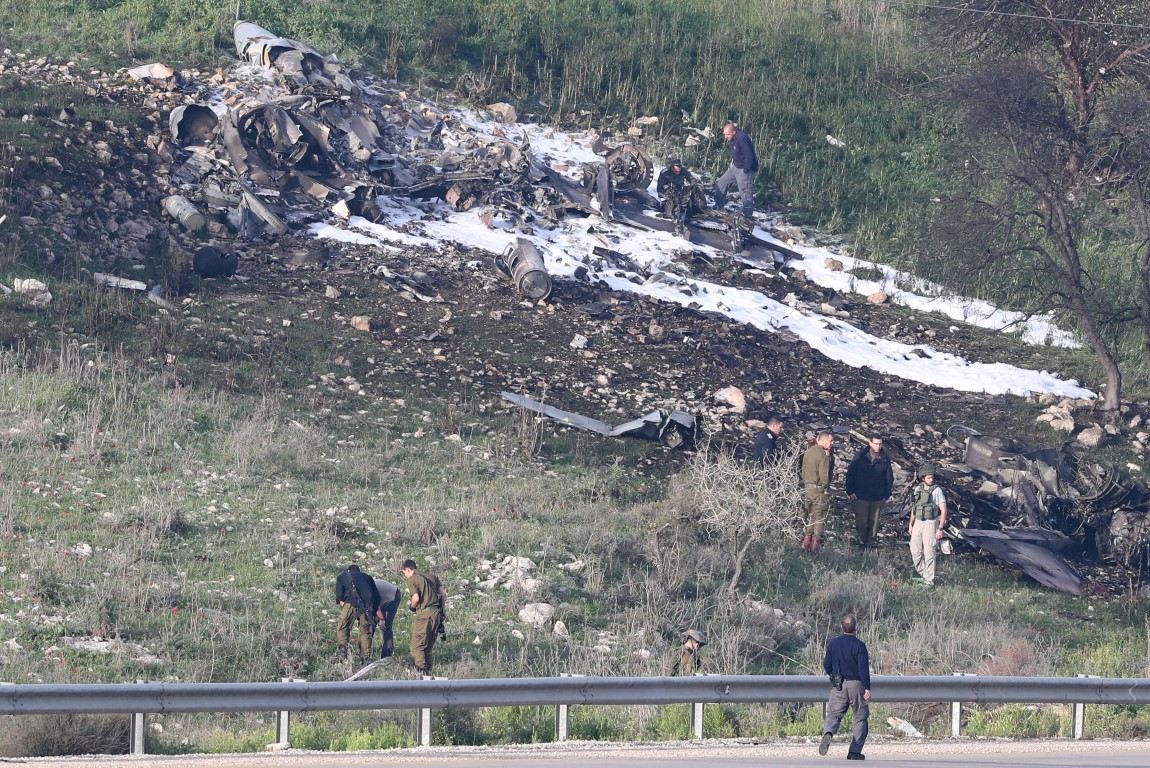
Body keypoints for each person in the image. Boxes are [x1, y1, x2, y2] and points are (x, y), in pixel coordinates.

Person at [819, 614, 871, 761]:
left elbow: (826, 664)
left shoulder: (833, 643)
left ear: (842, 627)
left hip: (838, 685)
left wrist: (833, 675)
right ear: (856, 627)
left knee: (833, 715)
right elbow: (863, 669)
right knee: (860, 717)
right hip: (856, 685)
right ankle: (854, 752)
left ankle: (828, 733)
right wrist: (867, 687)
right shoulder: (859, 645)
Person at [845, 434, 895, 546]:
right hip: (860, 495)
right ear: (870, 443)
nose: (878, 446)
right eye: (876, 444)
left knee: (874, 523)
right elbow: (851, 474)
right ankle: (861, 540)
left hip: (877, 497)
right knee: (861, 522)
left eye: (880, 444)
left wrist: (886, 495)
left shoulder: (884, 459)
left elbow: (889, 479)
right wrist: (850, 491)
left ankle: (871, 543)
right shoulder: (860, 456)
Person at [401, 558, 447, 674]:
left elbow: (415, 599)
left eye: (404, 572)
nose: (404, 575)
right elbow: (443, 593)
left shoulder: (412, 579)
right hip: (436, 613)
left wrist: (412, 607)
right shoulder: (431, 576)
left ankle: (421, 673)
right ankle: (429, 673)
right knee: (427, 648)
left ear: (408, 569)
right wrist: (442, 610)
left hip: (424, 614)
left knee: (417, 646)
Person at [908, 463, 948, 587]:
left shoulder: (937, 491)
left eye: (932, 477)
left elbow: (944, 510)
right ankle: (924, 574)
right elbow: (915, 509)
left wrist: (940, 528)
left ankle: (929, 581)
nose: (931, 480)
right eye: (929, 477)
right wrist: (911, 524)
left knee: (929, 552)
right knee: (915, 551)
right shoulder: (917, 489)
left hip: (931, 523)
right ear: (923, 478)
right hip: (918, 523)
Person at [335, 564, 382, 663]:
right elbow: (377, 597)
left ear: (348, 570)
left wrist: (342, 601)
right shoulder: (368, 577)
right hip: (367, 607)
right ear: (359, 571)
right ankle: (365, 658)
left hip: (350, 604)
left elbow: (339, 597)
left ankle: (343, 650)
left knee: (343, 626)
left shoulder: (342, 576)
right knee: (365, 631)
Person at [713, 122, 758, 219]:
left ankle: (747, 216)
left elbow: (749, 155)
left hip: (744, 169)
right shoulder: (732, 138)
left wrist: (746, 169)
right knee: (722, 182)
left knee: (745, 192)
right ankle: (718, 205)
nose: (726, 137)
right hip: (736, 167)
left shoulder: (742, 138)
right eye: (724, 134)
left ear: (734, 132)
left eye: (727, 134)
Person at [800, 431, 835, 554]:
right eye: (830, 441)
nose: (832, 444)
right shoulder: (823, 454)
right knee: (819, 517)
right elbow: (824, 476)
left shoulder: (808, 451)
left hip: (807, 488)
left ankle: (805, 543)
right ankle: (815, 547)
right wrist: (825, 488)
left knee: (810, 515)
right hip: (818, 489)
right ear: (823, 440)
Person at [656, 159, 706, 236]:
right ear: (673, 166)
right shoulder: (665, 172)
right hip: (669, 192)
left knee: (696, 188)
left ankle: (699, 206)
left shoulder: (683, 171)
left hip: (680, 190)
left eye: (680, 166)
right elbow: (660, 188)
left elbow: (691, 178)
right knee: (673, 204)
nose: (679, 168)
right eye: (677, 166)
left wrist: (692, 184)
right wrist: (664, 197)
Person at [373, 576, 403, 659]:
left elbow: (375, 604)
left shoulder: (367, 588)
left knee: (386, 626)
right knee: (371, 622)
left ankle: (387, 655)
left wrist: (382, 619)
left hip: (393, 596)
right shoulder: (364, 585)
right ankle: (366, 651)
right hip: (382, 598)